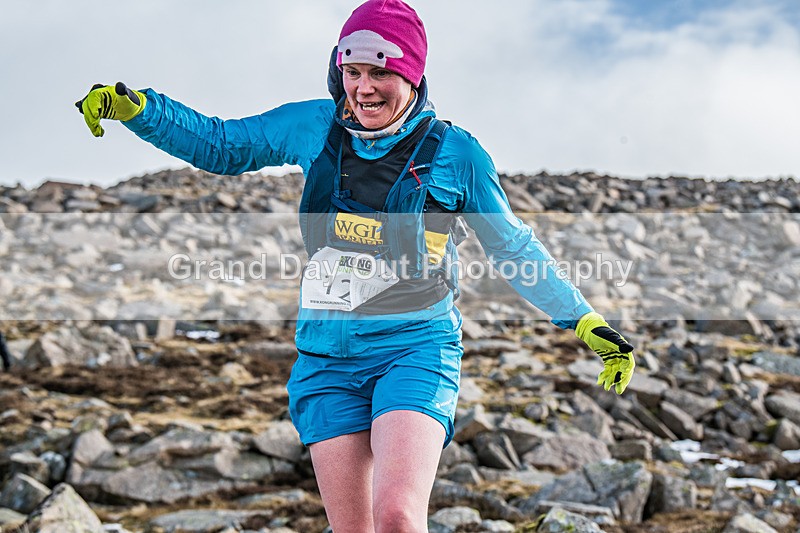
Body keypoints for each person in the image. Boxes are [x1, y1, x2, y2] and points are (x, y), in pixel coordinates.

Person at [76, 1, 635, 531]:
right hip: (326, 356)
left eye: (381, 73)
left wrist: (583, 321)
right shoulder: (317, 126)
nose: (363, 88)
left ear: (413, 77)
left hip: (414, 347)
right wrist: (139, 109)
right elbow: (224, 145)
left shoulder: (457, 155)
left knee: (396, 519)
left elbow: (512, 248)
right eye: (353, 70)